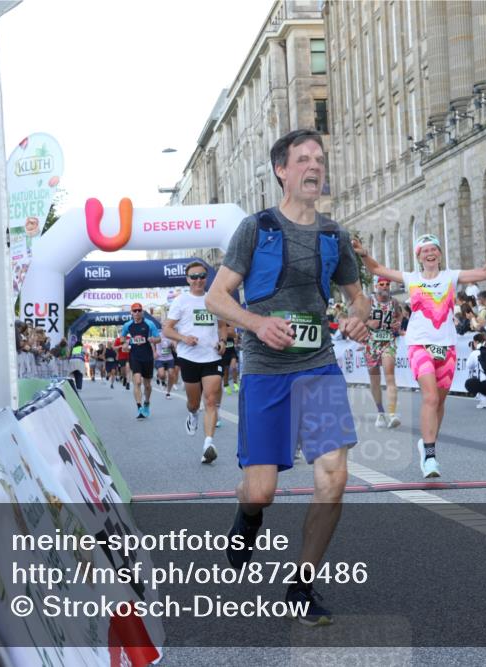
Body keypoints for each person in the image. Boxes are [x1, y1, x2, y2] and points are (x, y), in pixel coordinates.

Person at [205, 128, 370, 626]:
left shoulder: (334, 235)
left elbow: (357, 297)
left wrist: (359, 316)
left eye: (319, 158)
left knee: (334, 476)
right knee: (261, 491)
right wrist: (257, 323)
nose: (314, 166)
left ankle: (301, 586)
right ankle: (248, 514)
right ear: (282, 170)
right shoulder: (256, 228)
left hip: (318, 366)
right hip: (266, 371)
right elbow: (216, 297)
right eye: (303, 159)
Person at [353, 230, 486, 478]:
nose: (430, 253)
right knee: (431, 397)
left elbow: (485, 273)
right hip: (419, 345)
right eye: (425, 250)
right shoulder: (411, 278)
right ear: (419, 257)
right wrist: (364, 254)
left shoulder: (450, 276)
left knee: (440, 402)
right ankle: (430, 455)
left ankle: (426, 443)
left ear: (440, 254)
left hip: (446, 346)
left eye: (434, 249)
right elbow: (377, 269)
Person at [164, 261, 227, 464]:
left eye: (202, 276)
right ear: (187, 279)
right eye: (194, 277)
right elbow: (167, 329)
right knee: (194, 403)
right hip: (189, 357)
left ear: (206, 278)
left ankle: (208, 444)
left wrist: (223, 341)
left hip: (212, 356)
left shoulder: (214, 299)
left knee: (210, 400)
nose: (198, 280)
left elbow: (222, 325)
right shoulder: (181, 301)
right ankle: (192, 414)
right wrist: (183, 338)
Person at [363, 276, 404, 429]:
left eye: (387, 284)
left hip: (388, 342)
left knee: (390, 376)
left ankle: (392, 414)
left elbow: (400, 314)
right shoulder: (369, 301)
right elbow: (358, 317)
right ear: (376, 286)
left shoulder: (394, 302)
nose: (385, 286)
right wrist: (368, 322)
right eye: (382, 284)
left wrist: (398, 323)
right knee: (375, 379)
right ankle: (380, 412)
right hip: (371, 343)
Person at [121, 302, 160, 419]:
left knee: (147, 385)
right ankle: (139, 407)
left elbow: (158, 338)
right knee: (137, 382)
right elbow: (122, 337)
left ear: (142, 312)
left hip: (147, 356)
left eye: (139, 310)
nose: (137, 312)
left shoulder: (149, 324)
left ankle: (146, 402)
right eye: (135, 311)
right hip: (135, 356)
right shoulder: (127, 325)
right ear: (131, 313)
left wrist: (153, 339)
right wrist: (125, 342)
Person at [154, 334, 177, 399]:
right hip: (159, 358)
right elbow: (152, 343)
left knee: (171, 375)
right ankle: (161, 379)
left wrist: (173, 346)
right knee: (162, 375)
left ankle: (168, 393)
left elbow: (174, 345)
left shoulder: (170, 335)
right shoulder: (157, 334)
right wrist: (154, 352)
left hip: (169, 358)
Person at [221, 329, 240, 395]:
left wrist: (236, 337)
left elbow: (236, 340)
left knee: (234, 367)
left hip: (232, 352)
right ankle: (226, 385)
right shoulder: (221, 330)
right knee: (226, 371)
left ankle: (235, 384)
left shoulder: (231, 329)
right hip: (224, 353)